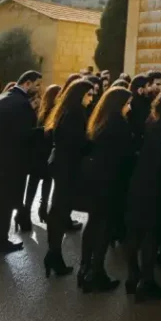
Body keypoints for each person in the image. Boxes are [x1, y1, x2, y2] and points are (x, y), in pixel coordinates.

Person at [0, 70, 42, 255]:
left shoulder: (0, 98)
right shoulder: (21, 104)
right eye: (37, 84)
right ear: (27, 83)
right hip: (9, 165)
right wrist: (43, 131)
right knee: (3, 206)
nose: (38, 88)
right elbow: (23, 135)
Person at [125, 86, 161, 301]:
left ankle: (133, 277)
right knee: (151, 233)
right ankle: (147, 282)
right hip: (157, 183)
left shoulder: (153, 120)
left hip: (140, 179)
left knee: (135, 231)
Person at [80, 86, 133, 293]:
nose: (129, 108)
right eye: (127, 104)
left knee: (93, 223)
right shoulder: (118, 124)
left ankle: (85, 268)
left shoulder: (100, 120)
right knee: (105, 226)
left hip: (96, 179)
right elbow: (125, 155)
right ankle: (96, 272)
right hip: (111, 181)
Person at [44, 79, 95, 278]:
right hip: (67, 167)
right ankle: (54, 255)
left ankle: (53, 255)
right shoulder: (74, 114)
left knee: (58, 209)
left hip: (62, 165)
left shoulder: (67, 111)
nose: (91, 98)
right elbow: (79, 143)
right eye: (89, 95)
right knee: (59, 210)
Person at [18, 83, 60, 230]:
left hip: (39, 152)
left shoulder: (40, 109)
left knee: (37, 181)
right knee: (42, 181)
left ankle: (30, 211)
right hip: (43, 151)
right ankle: (37, 210)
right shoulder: (49, 111)